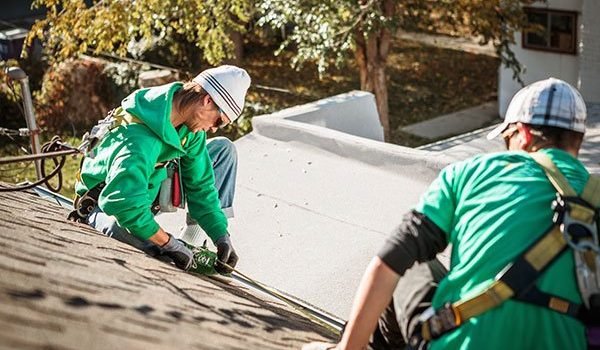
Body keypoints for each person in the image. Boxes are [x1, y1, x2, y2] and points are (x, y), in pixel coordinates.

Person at [304, 77, 595, 350]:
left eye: (507, 138)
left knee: (410, 266)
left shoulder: (470, 173)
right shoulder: (593, 192)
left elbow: (388, 264)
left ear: (523, 133)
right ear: (578, 141)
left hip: (462, 340)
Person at [73, 65, 251, 274]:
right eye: (219, 121)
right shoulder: (138, 138)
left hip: (146, 192)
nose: (213, 128)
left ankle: (188, 241)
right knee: (119, 229)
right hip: (104, 205)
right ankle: (165, 246)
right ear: (208, 100)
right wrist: (168, 244)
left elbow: (201, 185)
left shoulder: (189, 128)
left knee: (222, 150)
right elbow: (124, 205)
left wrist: (221, 235)